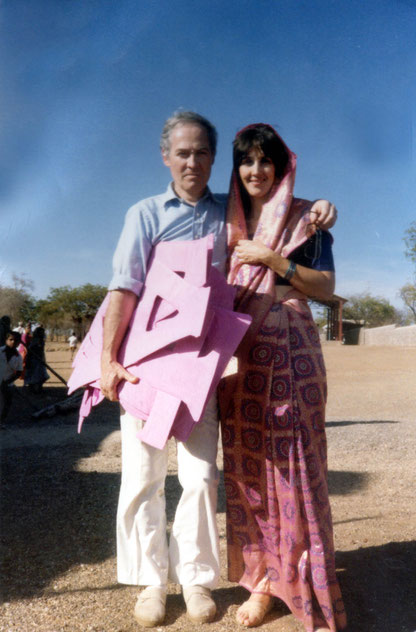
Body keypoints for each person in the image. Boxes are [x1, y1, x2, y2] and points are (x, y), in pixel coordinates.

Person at [99, 111, 338, 628]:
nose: (192, 162)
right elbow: (123, 288)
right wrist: (108, 360)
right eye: (182, 152)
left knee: (202, 475)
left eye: (201, 153)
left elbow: (287, 226)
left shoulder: (225, 216)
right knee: (143, 476)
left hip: (201, 367)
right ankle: (150, 583)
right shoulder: (144, 214)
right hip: (145, 364)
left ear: (213, 161)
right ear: (166, 157)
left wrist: (320, 206)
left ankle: (196, 579)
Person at [219, 124, 346, 631]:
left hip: (290, 356)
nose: (256, 171)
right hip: (238, 360)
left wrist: (272, 259)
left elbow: (327, 288)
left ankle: (304, 578)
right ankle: (264, 581)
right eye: (247, 162)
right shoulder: (222, 220)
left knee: (293, 464)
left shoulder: (305, 219)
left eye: (266, 161)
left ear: (282, 166)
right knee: (249, 467)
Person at [0, 331, 23, 425]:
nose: (13, 342)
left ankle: (1, 421)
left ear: (19, 343)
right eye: (11, 339)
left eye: (16, 340)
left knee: (7, 402)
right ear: (6, 340)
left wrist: (7, 382)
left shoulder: (18, 357)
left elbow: (19, 372)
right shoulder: (0, 351)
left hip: (7, 383)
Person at [24, 326, 49, 393]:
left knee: (41, 375)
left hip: (40, 359)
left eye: (42, 333)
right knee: (34, 375)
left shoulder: (41, 341)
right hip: (34, 359)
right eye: (40, 333)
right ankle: (32, 389)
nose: (42, 334)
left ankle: (39, 388)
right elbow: (31, 350)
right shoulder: (35, 340)